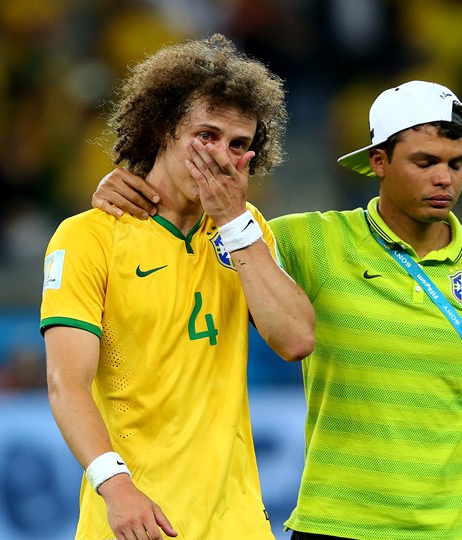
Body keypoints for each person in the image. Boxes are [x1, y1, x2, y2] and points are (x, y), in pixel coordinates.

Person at [93, 80, 462, 540]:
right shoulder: (310, 241)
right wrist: (130, 190)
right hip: (332, 527)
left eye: (457, 163)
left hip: (454, 531)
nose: (444, 179)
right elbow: (206, 235)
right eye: (425, 162)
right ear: (379, 161)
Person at [41, 34, 315, 540]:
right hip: (135, 517)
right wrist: (114, 486)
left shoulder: (246, 230)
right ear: (164, 128)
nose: (221, 157)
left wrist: (234, 223)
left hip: (236, 523)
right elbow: (66, 383)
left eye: (238, 145)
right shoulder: (89, 236)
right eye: (207, 135)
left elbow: (296, 340)